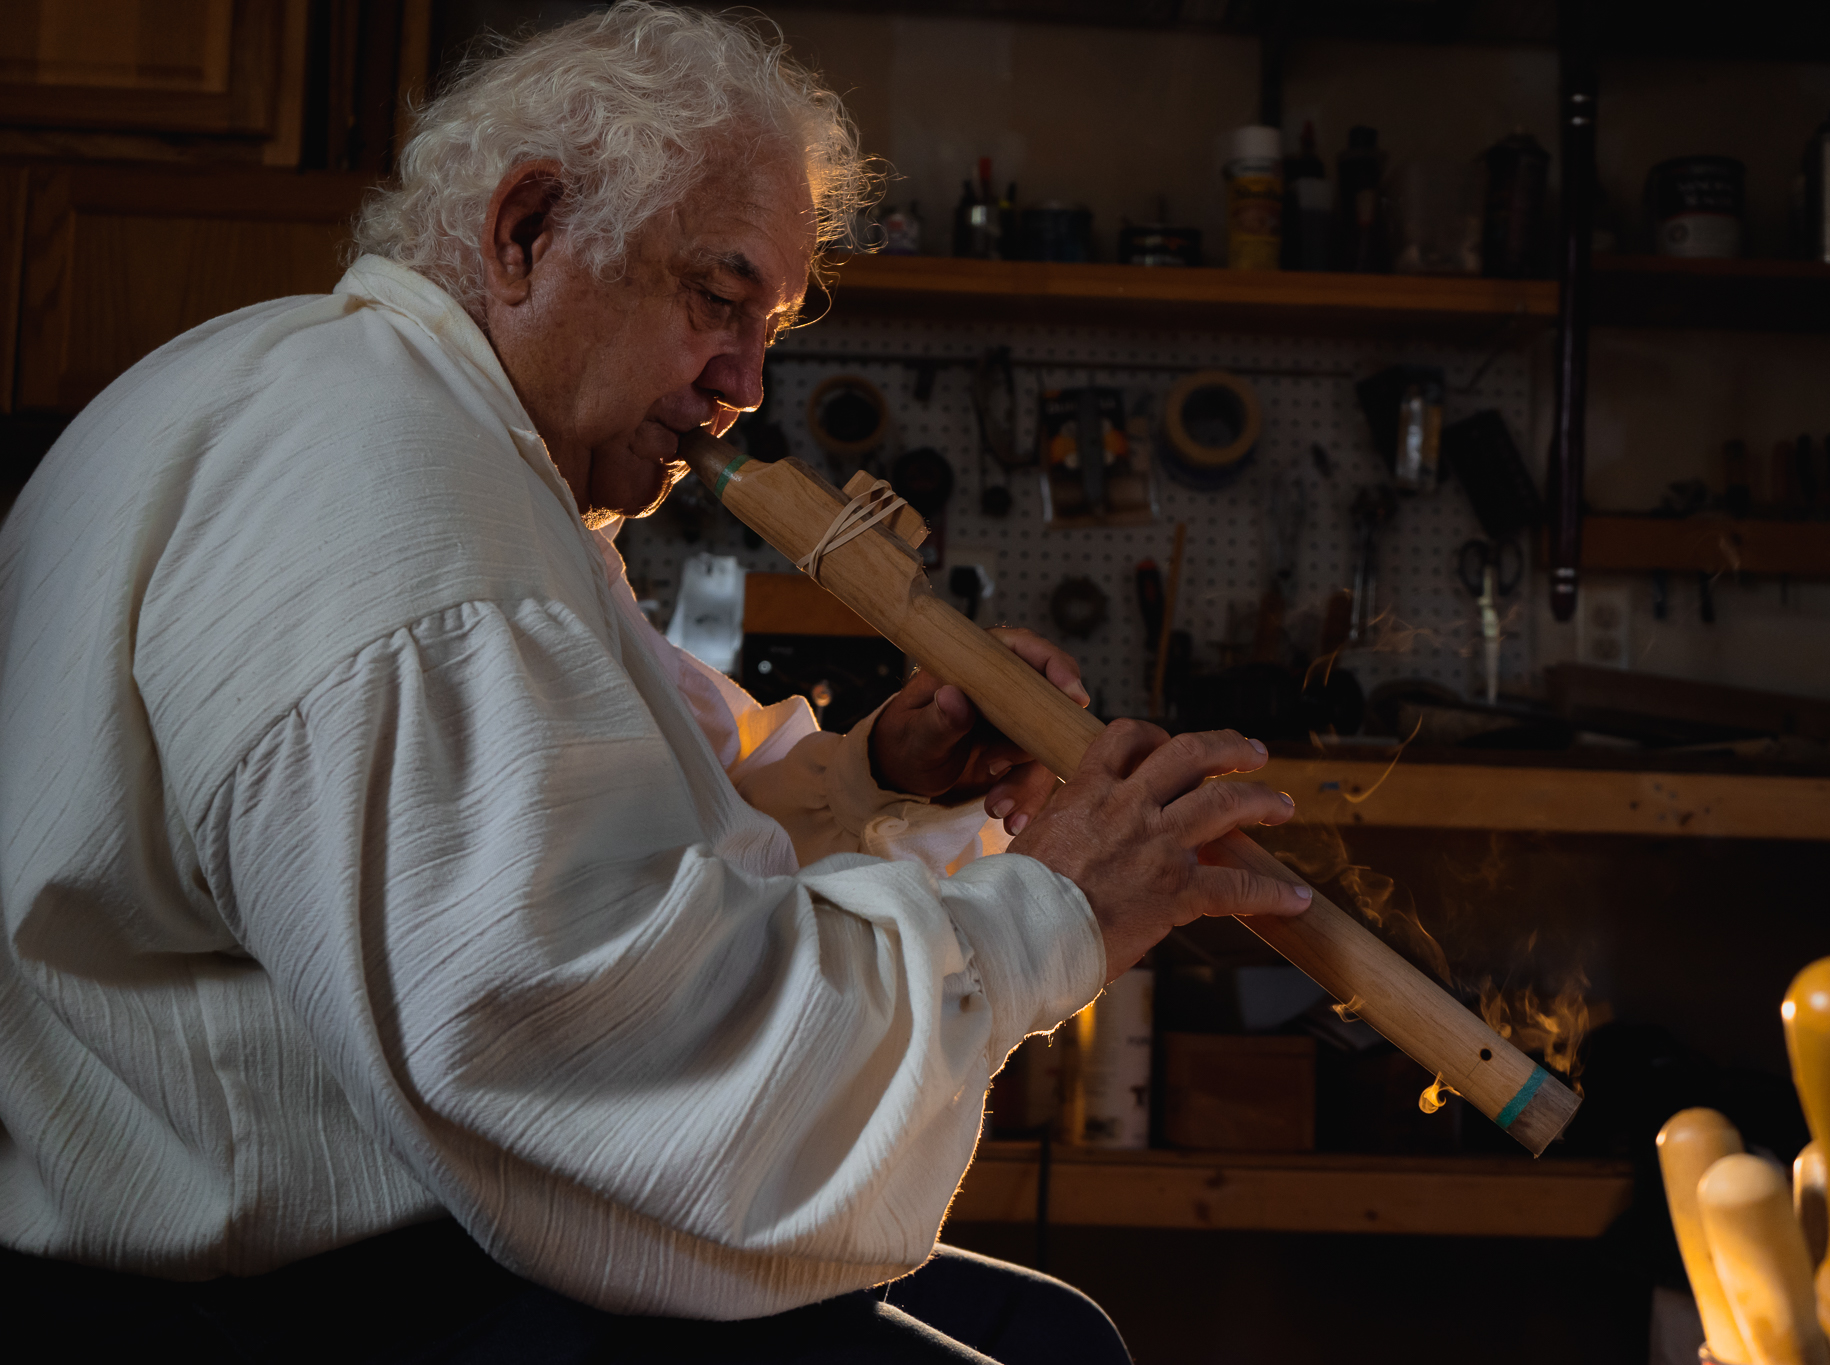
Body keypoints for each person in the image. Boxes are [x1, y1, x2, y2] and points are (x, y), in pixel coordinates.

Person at [0, 6, 1309, 1360]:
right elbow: (588, 1033)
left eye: (770, 325)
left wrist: (881, 771)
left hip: (407, 1221)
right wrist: (1054, 910)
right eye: (717, 299)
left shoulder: (454, 446)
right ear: (527, 233)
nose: (744, 383)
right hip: (261, 1301)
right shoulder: (401, 506)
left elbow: (619, 834)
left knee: (1049, 1331)